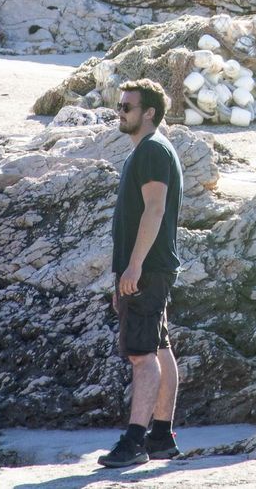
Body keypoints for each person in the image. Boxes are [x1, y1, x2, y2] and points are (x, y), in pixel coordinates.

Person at [97, 79, 184, 467]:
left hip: (147, 270)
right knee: (159, 348)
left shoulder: (151, 150)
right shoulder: (151, 150)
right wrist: (123, 272)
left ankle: (134, 442)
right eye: (119, 106)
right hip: (151, 269)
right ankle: (162, 437)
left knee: (141, 355)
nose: (120, 112)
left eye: (127, 107)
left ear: (148, 112)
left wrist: (132, 267)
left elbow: (155, 209)